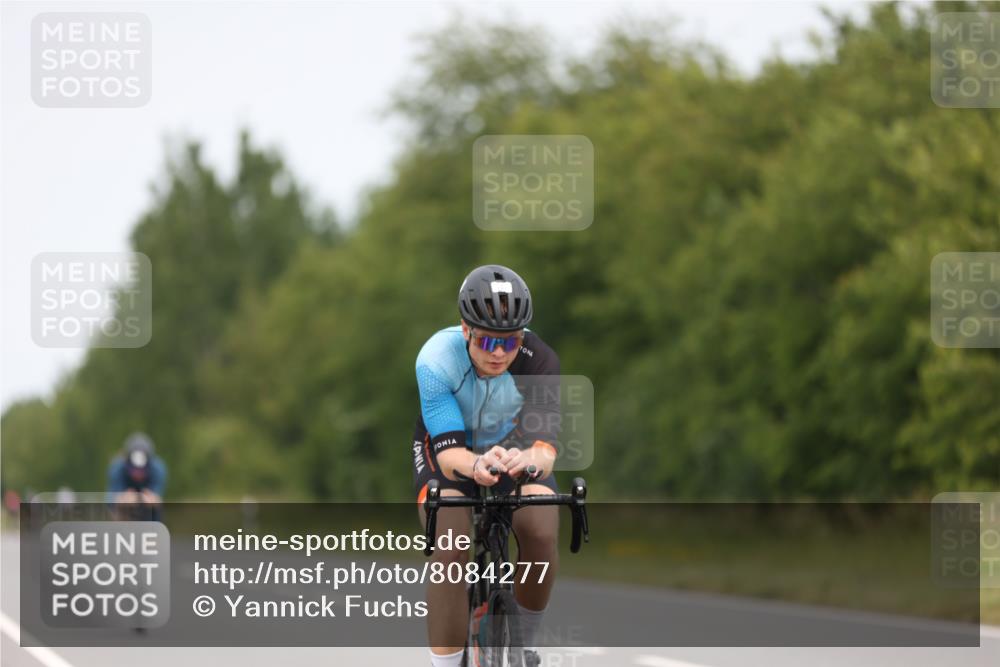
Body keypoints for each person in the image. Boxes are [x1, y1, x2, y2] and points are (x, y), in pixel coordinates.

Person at [413, 264, 561, 667]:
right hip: (451, 452)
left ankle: (526, 646)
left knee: (543, 526)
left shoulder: (540, 359)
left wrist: (529, 458)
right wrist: (476, 465)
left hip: (513, 450)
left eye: (510, 342)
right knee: (452, 544)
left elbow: (546, 450)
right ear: (465, 330)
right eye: (486, 341)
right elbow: (448, 455)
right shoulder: (435, 360)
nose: (498, 353)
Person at [107, 432, 167, 521]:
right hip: (123, 509)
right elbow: (110, 500)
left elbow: (157, 497)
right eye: (134, 470)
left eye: (141, 471)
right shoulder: (116, 468)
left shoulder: (158, 469)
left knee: (155, 507)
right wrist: (120, 499)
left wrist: (152, 500)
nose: (137, 474)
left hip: (149, 511)